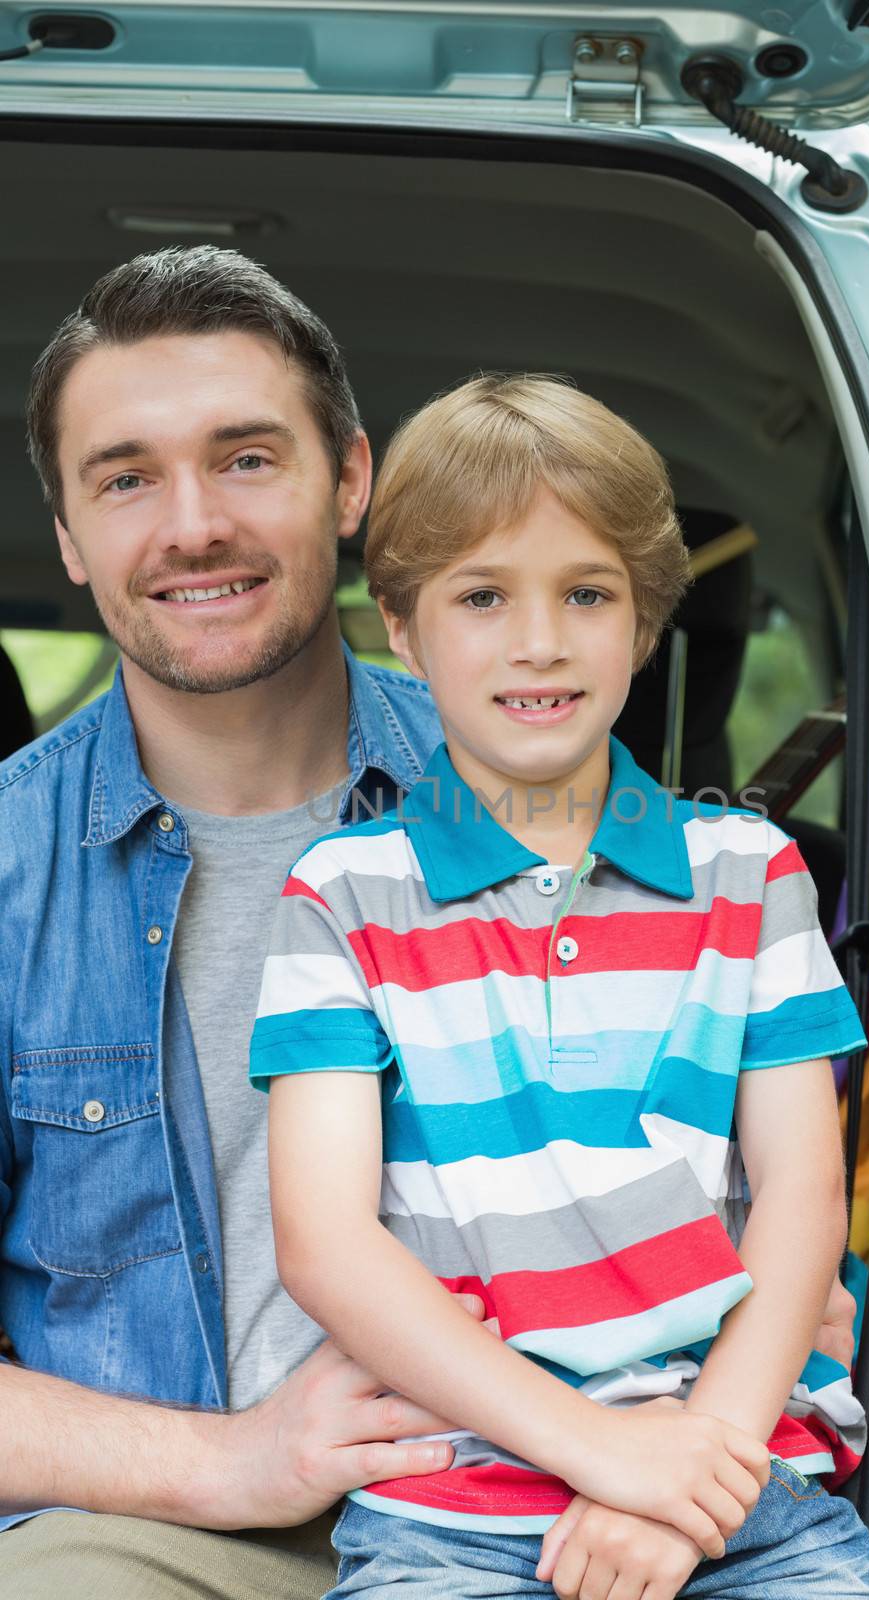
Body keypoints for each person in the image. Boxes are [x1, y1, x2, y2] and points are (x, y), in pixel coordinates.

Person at [252, 375, 869, 1599]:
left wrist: (692, 1482)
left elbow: (803, 1199)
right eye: (481, 596)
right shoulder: (339, 897)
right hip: (451, 1507)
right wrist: (604, 1454)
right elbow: (324, 1244)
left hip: (740, 1482)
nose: (537, 641)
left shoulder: (747, 874)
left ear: (645, 623)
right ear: (400, 622)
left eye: (585, 594)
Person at [0, 245, 486, 1598]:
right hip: (157, 1534)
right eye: (126, 477)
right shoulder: (2, 872)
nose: (192, 523)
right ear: (68, 536)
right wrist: (233, 1463)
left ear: (348, 480)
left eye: (247, 458)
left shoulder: (536, 802)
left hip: (524, 1502)